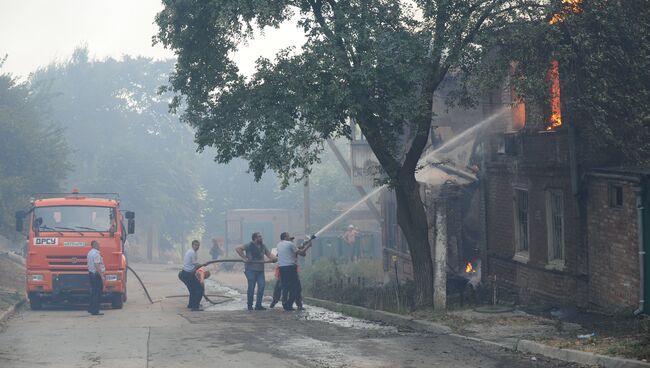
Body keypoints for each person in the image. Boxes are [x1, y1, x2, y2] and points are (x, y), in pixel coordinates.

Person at [236, 232, 277, 310]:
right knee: (251, 287)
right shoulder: (249, 245)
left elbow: (269, 254)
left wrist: (274, 258)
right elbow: (238, 249)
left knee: (261, 286)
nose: (261, 238)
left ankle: (258, 305)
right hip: (250, 270)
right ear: (255, 238)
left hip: (260, 270)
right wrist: (244, 257)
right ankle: (250, 305)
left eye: (261, 236)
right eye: (259, 237)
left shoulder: (263, 246)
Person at [276, 232, 312, 311]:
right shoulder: (290, 244)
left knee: (286, 287)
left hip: (282, 269)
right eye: (289, 237)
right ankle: (289, 304)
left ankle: (287, 304)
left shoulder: (279, 245)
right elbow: (302, 253)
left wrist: (301, 247)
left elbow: (293, 252)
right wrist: (308, 246)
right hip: (290, 268)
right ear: (285, 237)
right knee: (297, 288)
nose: (290, 239)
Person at [179, 240, 205, 311]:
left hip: (186, 273)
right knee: (199, 289)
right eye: (195, 245)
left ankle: (191, 304)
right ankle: (195, 307)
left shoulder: (192, 252)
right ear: (192, 245)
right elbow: (196, 265)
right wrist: (203, 264)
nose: (197, 247)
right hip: (187, 274)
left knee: (193, 289)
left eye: (198, 245)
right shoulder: (192, 252)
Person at [87, 240, 105, 315]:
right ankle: (95, 310)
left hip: (91, 274)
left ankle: (91, 309)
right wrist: (102, 276)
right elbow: (97, 265)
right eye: (98, 244)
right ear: (95, 245)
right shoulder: (96, 254)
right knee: (97, 293)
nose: (99, 246)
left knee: (93, 293)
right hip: (96, 275)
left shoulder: (90, 253)